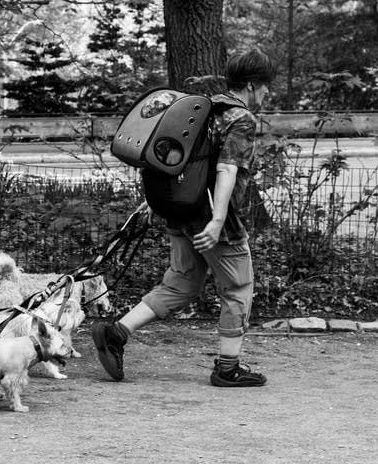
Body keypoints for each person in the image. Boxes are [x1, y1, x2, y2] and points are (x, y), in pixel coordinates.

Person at [92, 48, 275, 387]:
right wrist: (218, 220)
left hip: (180, 210)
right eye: (265, 87)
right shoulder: (240, 119)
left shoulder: (205, 109)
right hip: (209, 216)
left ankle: (117, 332)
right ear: (251, 85)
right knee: (239, 286)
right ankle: (227, 368)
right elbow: (226, 169)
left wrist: (154, 203)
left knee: (182, 282)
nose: (267, 94)